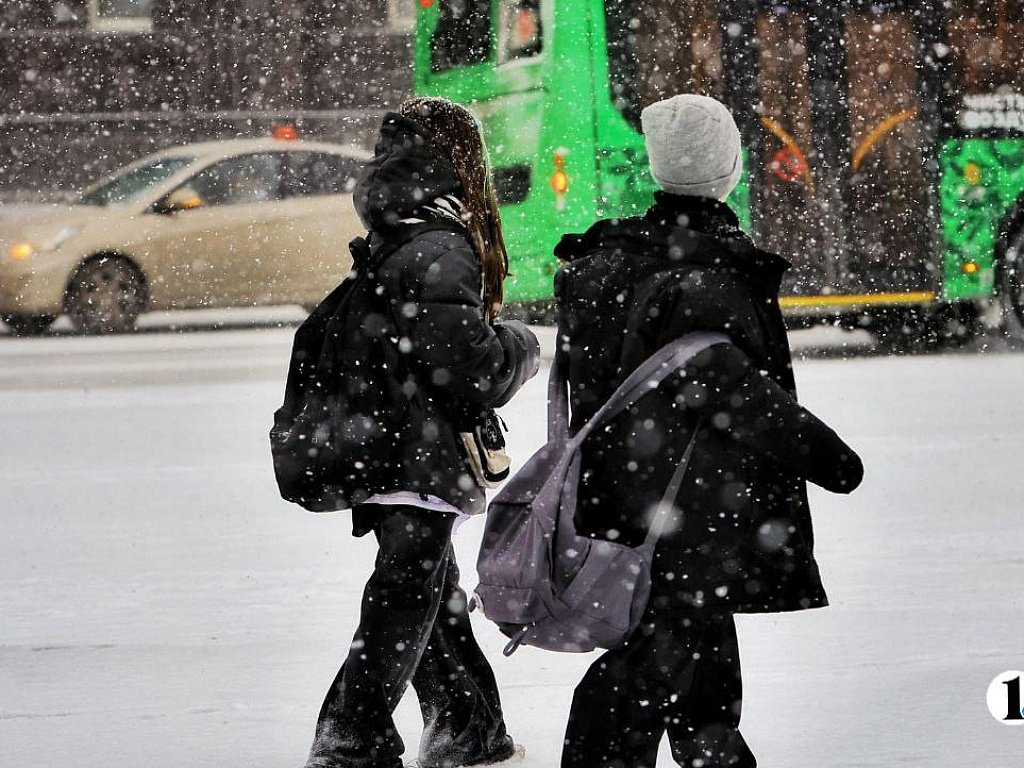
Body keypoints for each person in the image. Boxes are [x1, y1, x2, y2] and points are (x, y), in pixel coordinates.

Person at [553, 94, 864, 768]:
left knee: (698, 663)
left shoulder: (611, 262)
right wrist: (831, 459)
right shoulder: (708, 277)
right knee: (646, 671)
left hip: (624, 502)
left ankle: (716, 753)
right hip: (692, 512)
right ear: (728, 170)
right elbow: (731, 391)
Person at [302, 98, 539, 768]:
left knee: (428, 586)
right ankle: (352, 737)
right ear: (458, 158)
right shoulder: (438, 242)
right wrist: (522, 346)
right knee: (407, 591)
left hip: (382, 438)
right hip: (416, 447)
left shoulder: (396, 229)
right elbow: (473, 369)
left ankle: (469, 728)